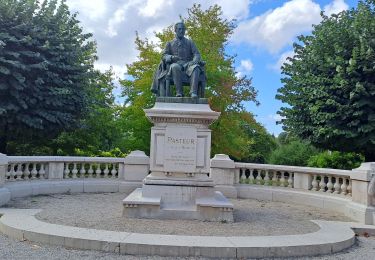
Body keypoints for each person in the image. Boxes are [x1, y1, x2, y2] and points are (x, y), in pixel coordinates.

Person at [151, 22, 204, 97]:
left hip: (188, 64)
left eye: (183, 29)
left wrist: (194, 61)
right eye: (179, 29)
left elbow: (196, 54)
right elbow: (164, 55)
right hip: (175, 64)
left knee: (196, 68)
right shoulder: (169, 43)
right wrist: (171, 57)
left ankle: (193, 92)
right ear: (175, 30)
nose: (181, 31)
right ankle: (179, 92)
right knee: (175, 67)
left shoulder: (190, 42)